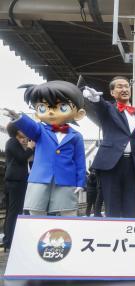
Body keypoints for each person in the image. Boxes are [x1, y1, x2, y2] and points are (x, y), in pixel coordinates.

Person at [4, 80, 87, 217]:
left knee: (69, 211)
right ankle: (37, 236)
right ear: (37, 113)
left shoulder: (76, 136)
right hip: (40, 177)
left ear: (79, 114)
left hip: (66, 179)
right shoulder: (40, 130)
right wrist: (19, 118)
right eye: (43, 107)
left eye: (62, 107)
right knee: (36, 210)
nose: (51, 112)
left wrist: (80, 182)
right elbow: (30, 127)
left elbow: (80, 161)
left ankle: (69, 235)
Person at [83, 76, 135, 218]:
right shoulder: (108, 108)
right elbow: (100, 105)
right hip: (111, 164)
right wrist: (95, 99)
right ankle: (113, 237)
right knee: (112, 207)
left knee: (131, 207)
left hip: (133, 165)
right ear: (112, 93)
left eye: (126, 86)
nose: (124, 89)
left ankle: (127, 239)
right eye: (119, 87)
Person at [2, 123, 34, 250]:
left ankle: (8, 241)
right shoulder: (13, 142)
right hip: (16, 181)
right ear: (16, 131)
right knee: (14, 212)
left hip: (13, 181)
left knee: (11, 212)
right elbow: (22, 158)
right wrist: (30, 148)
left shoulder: (12, 142)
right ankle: (9, 241)